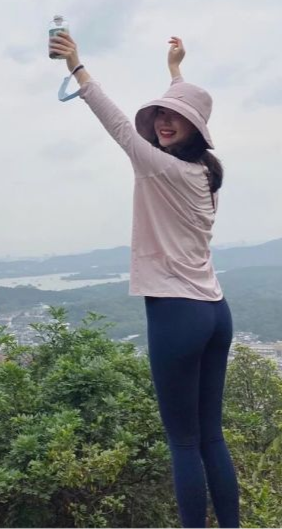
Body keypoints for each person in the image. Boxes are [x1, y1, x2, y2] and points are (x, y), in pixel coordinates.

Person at [48, 31, 240, 529]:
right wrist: (176, 74)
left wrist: (77, 66)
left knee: (184, 442)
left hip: (176, 313)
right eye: (160, 113)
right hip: (215, 312)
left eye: (174, 115)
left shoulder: (158, 167)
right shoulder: (205, 173)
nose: (162, 120)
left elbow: (116, 123)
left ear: (195, 128)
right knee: (212, 438)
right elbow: (174, 117)